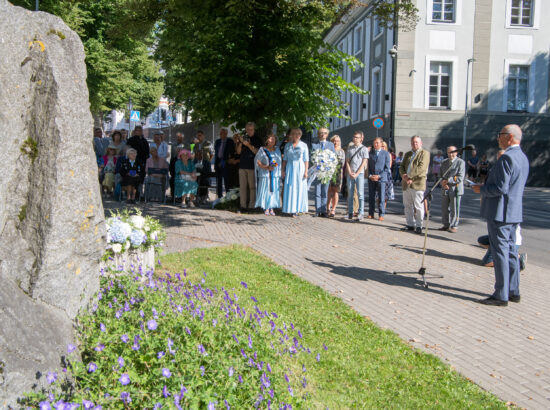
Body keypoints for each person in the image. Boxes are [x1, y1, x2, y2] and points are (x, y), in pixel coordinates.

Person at [472, 125, 529, 306]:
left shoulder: (507, 158)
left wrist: (480, 189)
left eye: (501, 135)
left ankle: (501, 294)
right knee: (511, 252)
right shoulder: (522, 157)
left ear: (510, 137)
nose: (498, 138)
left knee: (500, 253)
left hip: (501, 213)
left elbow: (500, 188)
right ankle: (513, 291)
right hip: (513, 213)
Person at [399, 135, 430, 234]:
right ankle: (410, 224)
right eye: (413, 142)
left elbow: (421, 168)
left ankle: (419, 225)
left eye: (416, 142)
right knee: (407, 205)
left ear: (421, 143)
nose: (414, 144)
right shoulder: (408, 154)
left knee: (418, 206)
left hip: (417, 183)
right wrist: (404, 175)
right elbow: (402, 166)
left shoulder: (425, 153)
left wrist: (410, 177)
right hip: (406, 183)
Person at [282, 128, 309, 217]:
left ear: (300, 135)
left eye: (298, 134)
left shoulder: (304, 145)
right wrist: (283, 170)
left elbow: (306, 160)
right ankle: (290, 208)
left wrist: (306, 171)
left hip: (300, 167)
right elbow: (285, 159)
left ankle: (297, 209)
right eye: (293, 134)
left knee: (299, 187)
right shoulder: (287, 145)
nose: (296, 136)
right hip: (290, 167)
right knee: (290, 186)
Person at [438, 146, 466, 233]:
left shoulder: (460, 162)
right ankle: (445, 224)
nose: (451, 154)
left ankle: (454, 225)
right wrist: (442, 183)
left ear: (456, 152)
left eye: (453, 152)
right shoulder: (444, 162)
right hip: (445, 188)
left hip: (455, 189)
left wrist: (448, 181)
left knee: (454, 209)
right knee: (444, 208)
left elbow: (460, 177)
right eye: (449, 152)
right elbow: (440, 175)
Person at [235, 122, 262, 211]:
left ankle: (251, 206)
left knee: (252, 187)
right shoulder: (243, 138)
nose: (249, 131)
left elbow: (257, 152)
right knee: (242, 187)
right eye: (247, 129)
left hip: (252, 166)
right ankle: (243, 206)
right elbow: (238, 152)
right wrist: (240, 143)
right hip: (242, 166)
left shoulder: (257, 139)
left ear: (254, 129)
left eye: (251, 129)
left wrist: (248, 145)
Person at [254, 134, 282, 215]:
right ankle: (266, 207)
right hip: (265, 174)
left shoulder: (277, 150)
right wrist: (265, 167)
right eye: (270, 138)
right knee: (266, 190)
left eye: (274, 138)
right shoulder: (262, 149)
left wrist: (274, 165)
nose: (272, 140)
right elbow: (257, 161)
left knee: (273, 191)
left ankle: (271, 207)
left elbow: (279, 161)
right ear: (266, 140)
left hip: (274, 174)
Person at [310, 128, 336, 217]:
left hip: (327, 172)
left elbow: (334, 158)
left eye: (325, 133)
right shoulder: (314, 145)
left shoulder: (331, 145)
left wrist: (329, 167)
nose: (323, 134)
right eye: (321, 133)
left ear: (327, 134)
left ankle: (324, 210)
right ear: (318, 134)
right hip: (317, 172)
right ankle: (317, 210)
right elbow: (312, 158)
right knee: (317, 192)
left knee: (324, 192)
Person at [345, 131, 369, 221]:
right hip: (350, 173)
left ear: (361, 138)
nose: (355, 139)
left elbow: (364, 162)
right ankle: (350, 212)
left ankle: (361, 212)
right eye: (354, 137)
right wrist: (350, 172)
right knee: (350, 194)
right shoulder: (350, 148)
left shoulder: (364, 149)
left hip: (360, 174)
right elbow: (347, 161)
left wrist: (357, 173)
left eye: (357, 137)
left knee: (360, 194)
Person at [367, 137, 391, 221]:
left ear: (381, 144)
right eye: (374, 143)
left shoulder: (385, 153)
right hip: (371, 178)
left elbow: (387, 168)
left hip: (381, 178)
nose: (376, 144)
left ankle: (381, 214)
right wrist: (370, 175)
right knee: (371, 196)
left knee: (381, 197)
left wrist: (379, 176)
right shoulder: (370, 153)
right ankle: (371, 213)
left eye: (377, 143)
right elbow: (368, 167)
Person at [214, 128, 236, 198]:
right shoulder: (217, 141)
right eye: (220, 133)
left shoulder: (230, 141)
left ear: (226, 134)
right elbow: (216, 153)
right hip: (218, 162)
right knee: (219, 181)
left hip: (226, 163)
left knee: (227, 181)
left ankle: (228, 196)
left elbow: (232, 152)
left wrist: (225, 160)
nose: (220, 135)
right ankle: (219, 196)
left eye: (222, 133)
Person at [327, 135, 345, 217]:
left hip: (337, 172)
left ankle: (333, 209)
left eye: (337, 141)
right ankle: (327, 207)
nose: (335, 142)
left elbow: (343, 163)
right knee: (328, 190)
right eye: (334, 141)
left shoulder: (341, 151)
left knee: (335, 191)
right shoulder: (328, 150)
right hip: (328, 172)